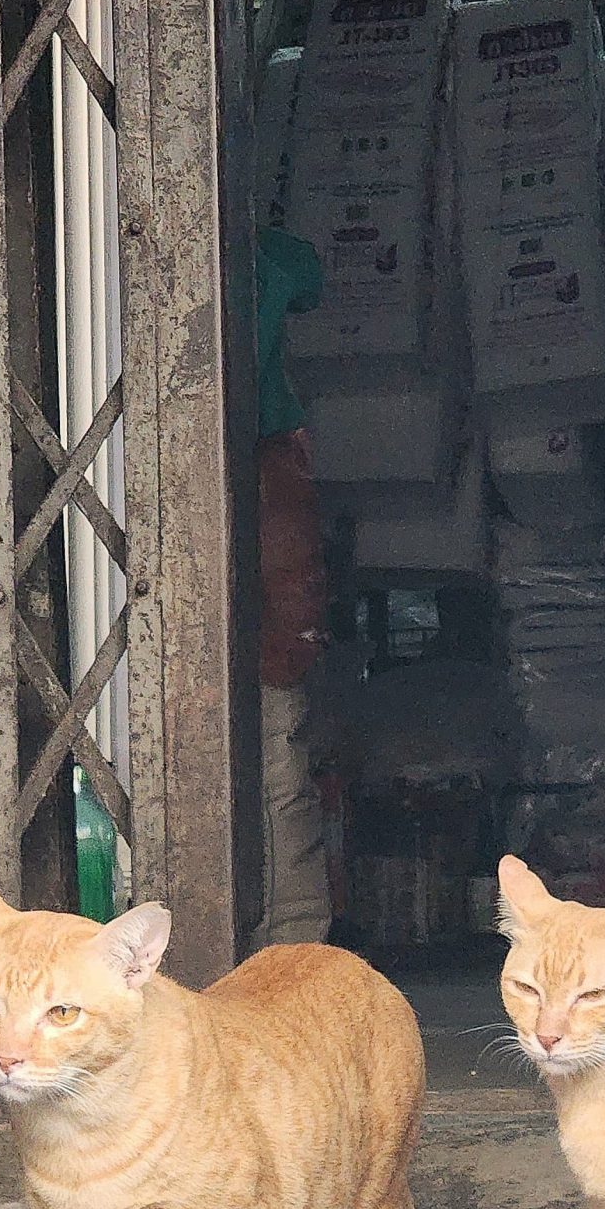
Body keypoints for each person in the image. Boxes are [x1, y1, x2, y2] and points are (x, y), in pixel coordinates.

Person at [252, 225, 332, 947]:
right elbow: (309, 276)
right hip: (267, 484)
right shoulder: (263, 256)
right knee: (277, 741)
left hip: (222, 485)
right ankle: (294, 939)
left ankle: (290, 941)